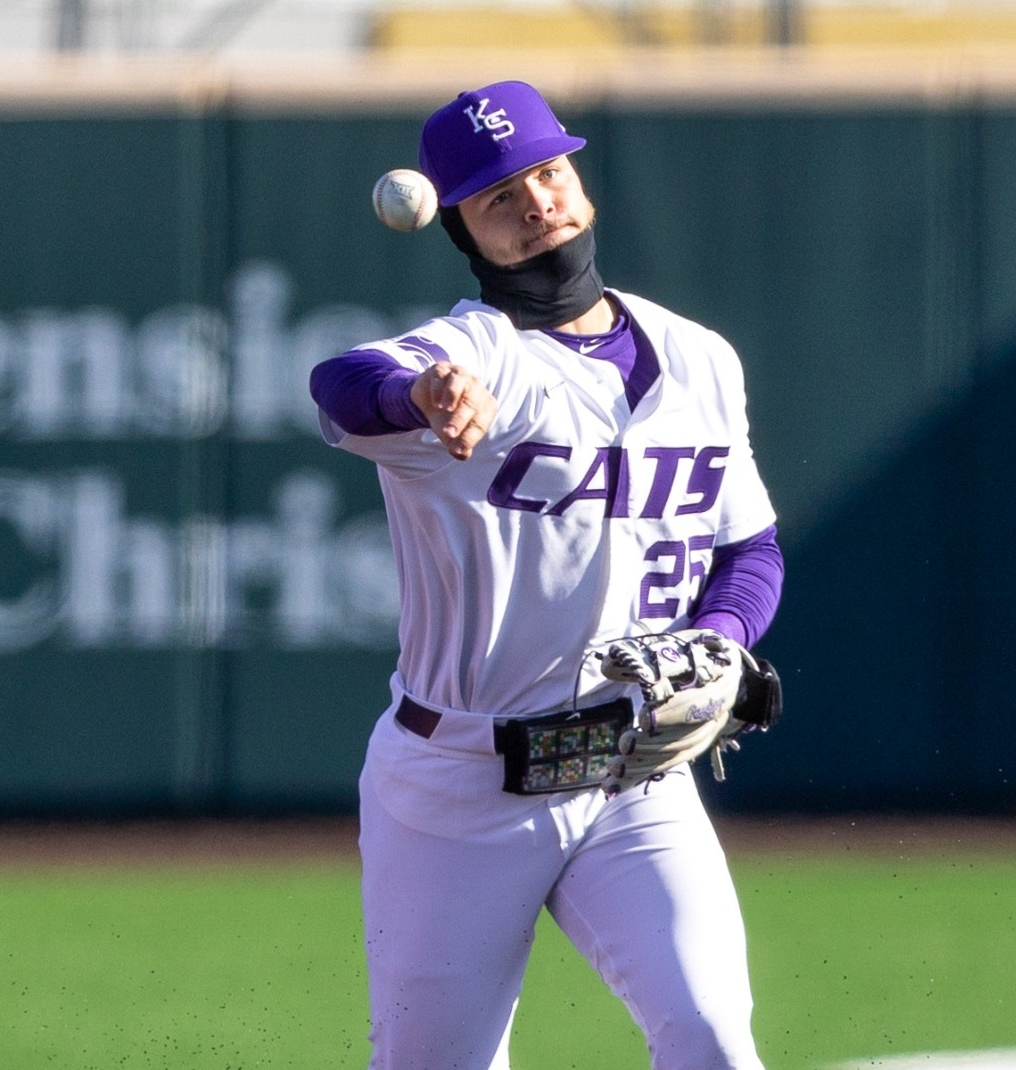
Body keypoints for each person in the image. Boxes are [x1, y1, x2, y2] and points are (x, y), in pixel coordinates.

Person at [307, 80, 784, 1070]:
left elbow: (748, 551)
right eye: (498, 198)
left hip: (632, 771)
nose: (535, 204)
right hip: (457, 783)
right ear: (462, 230)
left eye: (547, 173)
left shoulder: (699, 358)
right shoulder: (476, 352)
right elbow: (342, 386)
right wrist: (421, 393)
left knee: (711, 1037)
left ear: (580, 184)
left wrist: (725, 641)